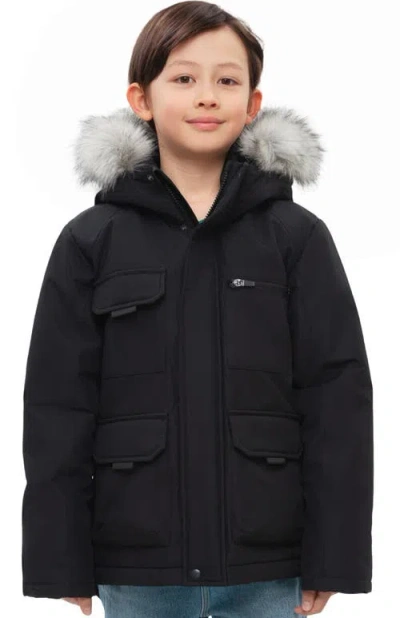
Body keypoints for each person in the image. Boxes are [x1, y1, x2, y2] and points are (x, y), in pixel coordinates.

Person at [21, 1, 374, 617]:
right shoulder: (91, 241)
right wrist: (60, 560)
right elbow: (57, 407)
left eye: (227, 80)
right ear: (142, 98)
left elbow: (337, 400)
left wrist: (335, 556)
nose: (206, 95)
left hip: (269, 567)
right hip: (138, 568)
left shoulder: (295, 238)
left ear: (253, 103)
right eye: (183, 77)